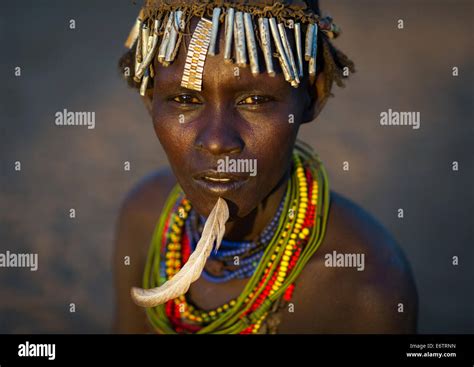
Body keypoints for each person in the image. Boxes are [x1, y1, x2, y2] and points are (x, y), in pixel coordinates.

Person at [114, 0, 418, 334]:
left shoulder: (364, 285)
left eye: (255, 100)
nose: (217, 141)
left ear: (313, 96)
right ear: (149, 97)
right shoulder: (145, 216)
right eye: (185, 100)